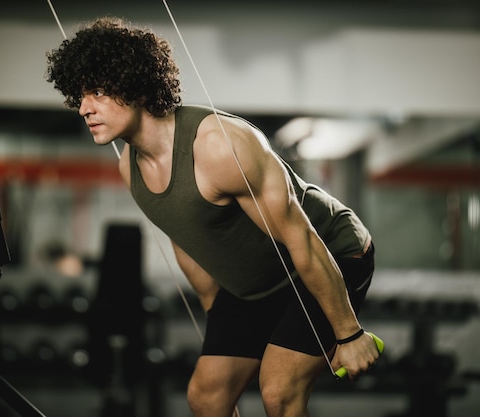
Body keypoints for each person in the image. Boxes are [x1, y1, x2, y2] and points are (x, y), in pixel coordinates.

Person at [46, 16, 381, 417]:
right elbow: (186, 237)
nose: (84, 108)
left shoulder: (218, 146)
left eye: (97, 92)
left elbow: (301, 238)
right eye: (79, 96)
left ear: (132, 84)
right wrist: (218, 316)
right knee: (207, 397)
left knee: (279, 390)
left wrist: (349, 333)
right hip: (256, 287)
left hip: (331, 252)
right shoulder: (129, 169)